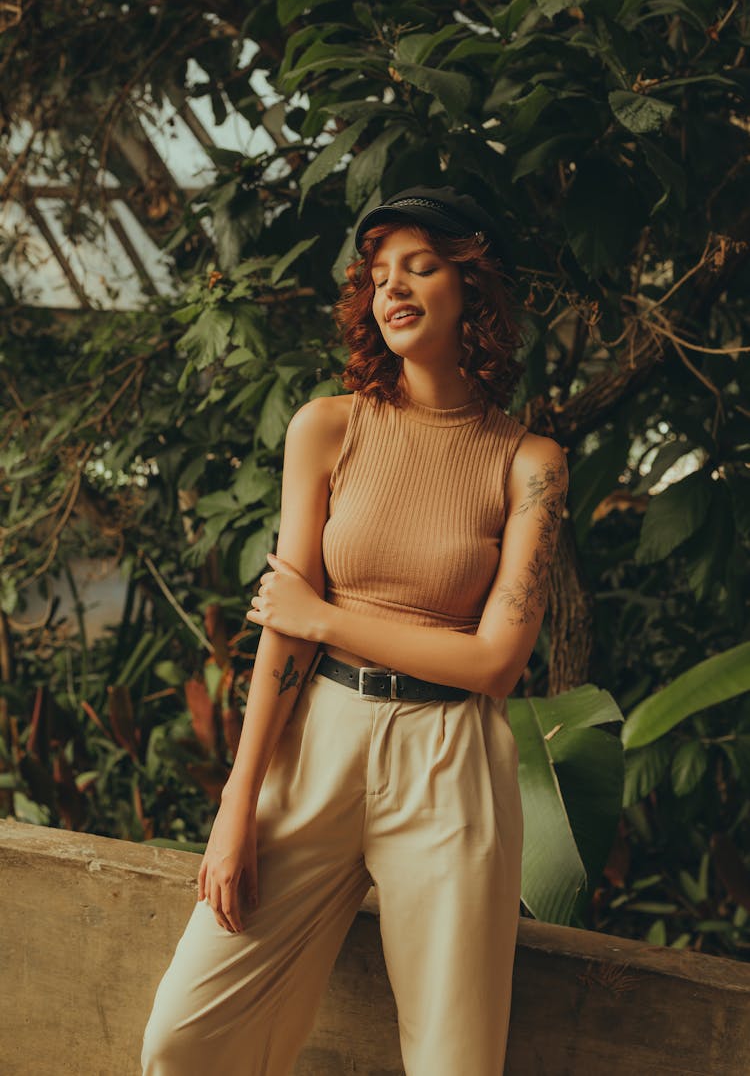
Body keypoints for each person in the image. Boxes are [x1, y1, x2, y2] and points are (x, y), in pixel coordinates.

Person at [141, 185, 569, 1076]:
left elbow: (494, 662)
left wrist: (330, 615)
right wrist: (236, 805)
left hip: (452, 762)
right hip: (318, 737)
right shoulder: (328, 427)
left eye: (420, 266)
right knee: (186, 1035)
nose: (394, 289)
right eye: (379, 275)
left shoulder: (530, 463)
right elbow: (283, 639)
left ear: (473, 287)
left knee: (454, 1062)